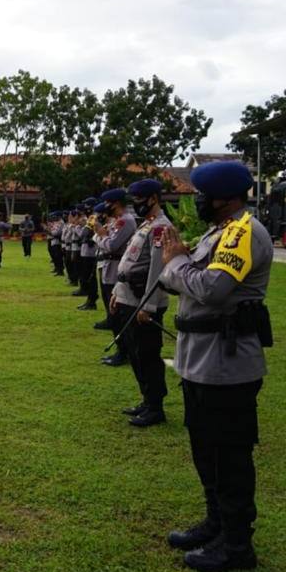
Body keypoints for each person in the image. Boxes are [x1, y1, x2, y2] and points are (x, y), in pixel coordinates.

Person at [159, 160, 273, 572]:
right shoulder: (220, 232)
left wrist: (174, 263)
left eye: (203, 196)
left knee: (229, 457)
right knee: (206, 450)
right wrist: (180, 263)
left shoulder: (244, 233)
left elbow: (212, 287)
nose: (198, 202)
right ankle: (216, 523)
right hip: (202, 361)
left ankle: (237, 545)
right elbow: (194, 278)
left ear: (226, 198)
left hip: (227, 366)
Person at [110, 179, 172, 428]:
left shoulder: (161, 227)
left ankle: (156, 407)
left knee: (147, 355)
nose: (135, 204)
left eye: (139, 199)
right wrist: (116, 290)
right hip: (128, 296)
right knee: (136, 354)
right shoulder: (145, 226)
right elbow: (127, 261)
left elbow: (157, 270)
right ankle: (147, 401)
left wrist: (148, 306)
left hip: (142, 302)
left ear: (153, 199)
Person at [94, 192, 137, 368]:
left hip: (116, 270)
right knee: (112, 314)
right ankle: (121, 350)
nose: (105, 206)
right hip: (108, 268)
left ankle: (123, 352)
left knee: (117, 315)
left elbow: (111, 245)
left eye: (108, 202)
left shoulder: (125, 221)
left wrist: (100, 235)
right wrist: (101, 235)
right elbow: (102, 241)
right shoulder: (117, 220)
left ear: (116, 203)